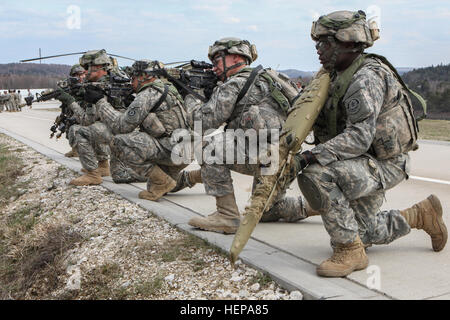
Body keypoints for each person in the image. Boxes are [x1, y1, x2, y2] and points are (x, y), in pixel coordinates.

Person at [277, 10, 447, 278]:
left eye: (325, 43)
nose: (318, 50)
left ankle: (349, 251)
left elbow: (359, 137)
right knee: (365, 232)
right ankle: (420, 215)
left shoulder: (365, 78)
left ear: (348, 42)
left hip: (384, 163)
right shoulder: (333, 76)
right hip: (361, 161)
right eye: (317, 43)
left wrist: (308, 157)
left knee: (316, 175)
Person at [179, 37, 300, 234]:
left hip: (265, 158)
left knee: (208, 148)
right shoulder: (268, 78)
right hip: (288, 160)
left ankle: (226, 216)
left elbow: (202, 123)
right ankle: (317, 207)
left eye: (217, 61)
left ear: (235, 58)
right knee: (267, 211)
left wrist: (191, 96)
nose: (214, 68)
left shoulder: (235, 84)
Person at [90, 59, 189, 200]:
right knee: (153, 188)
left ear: (144, 76)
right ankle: (195, 176)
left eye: (133, 78)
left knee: (119, 142)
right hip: (184, 150)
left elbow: (121, 126)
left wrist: (100, 102)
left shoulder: (148, 93)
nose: (131, 82)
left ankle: (163, 182)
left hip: (172, 150)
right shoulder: (167, 88)